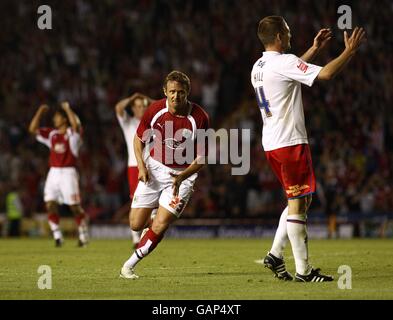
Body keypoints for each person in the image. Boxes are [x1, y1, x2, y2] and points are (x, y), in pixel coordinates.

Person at [251, 16, 365, 282]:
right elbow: (325, 74)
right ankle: (304, 271)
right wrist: (348, 51)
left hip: (272, 142)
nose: (290, 36)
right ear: (279, 36)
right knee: (297, 203)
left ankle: (275, 255)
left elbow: (288, 74)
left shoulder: (259, 65)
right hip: (290, 142)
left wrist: (314, 50)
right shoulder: (284, 62)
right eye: (288, 32)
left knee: (301, 200)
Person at [120, 70, 209, 279]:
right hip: (154, 168)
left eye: (180, 92)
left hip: (182, 176)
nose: (176, 96)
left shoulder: (200, 117)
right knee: (135, 224)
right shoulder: (155, 110)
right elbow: (138, 139)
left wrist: (181, 177)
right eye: (172, 92)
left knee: (160, 224)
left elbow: (202, 158)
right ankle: (150, 224)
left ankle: (129, 265)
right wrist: (141, 166)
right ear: (165, 92)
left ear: (187, 91)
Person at [28, 102, 88, 247]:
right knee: (50, 203)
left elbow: (76, 126)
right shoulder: (52, 134)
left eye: (57, 117)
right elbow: (32, 129)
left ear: (64, 119)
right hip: (53, 172)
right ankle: (57, 235)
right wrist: (40, 111)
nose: (54, 120)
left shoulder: (72, 135)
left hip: (69, 173)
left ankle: (83, 233)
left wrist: (67, 108)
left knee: (74, 207)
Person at [115, 93, 155, 247]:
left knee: (153, 201)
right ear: (133, 108)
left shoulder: (152, 123)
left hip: (153, 165)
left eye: (144, 106)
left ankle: (149, 233)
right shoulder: (129, 122)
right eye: (138, 106)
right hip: (134, 166)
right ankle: (135, 238)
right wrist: (132, 98)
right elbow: (118, 107)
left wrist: (147, 100)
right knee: (135, 200)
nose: (142, 109)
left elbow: (160, 105)